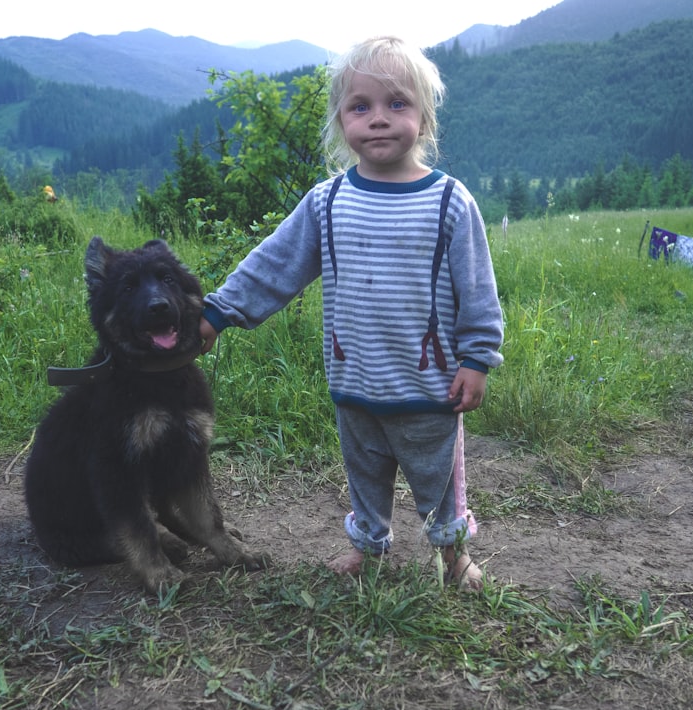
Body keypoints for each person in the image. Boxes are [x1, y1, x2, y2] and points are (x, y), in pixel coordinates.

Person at [198, 36, 503, 589]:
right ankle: (368, 547)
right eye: (360, 106)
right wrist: (217, 313)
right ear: (341, 122)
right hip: (355, 381)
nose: (379, 119)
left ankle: (454, 555)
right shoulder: (328, 201)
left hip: (430, 387)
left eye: (397, 104)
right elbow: (276, 265)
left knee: (441, 479)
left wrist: (477, 359)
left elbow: (478, 290)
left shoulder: (449, 201)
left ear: (425, 116)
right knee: (365, 475)